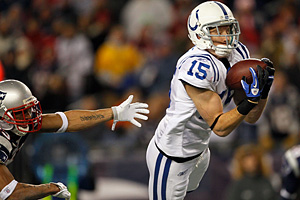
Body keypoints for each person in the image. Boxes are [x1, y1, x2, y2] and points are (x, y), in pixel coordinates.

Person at [146, 1, 275, 199]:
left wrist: (262, 92)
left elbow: (250, 118)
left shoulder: (238, 53)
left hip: (200, 149)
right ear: (199, 34)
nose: (226, 36)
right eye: (218, 30)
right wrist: (249, 101)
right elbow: (220, 127)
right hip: (173, 154)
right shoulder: (197, 67)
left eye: (229, 28)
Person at [0, 79, 149, 199]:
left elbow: (67, 120)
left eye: (29, 110)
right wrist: (51, 187)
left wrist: (113, 112)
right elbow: (12, 194)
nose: (29, 117)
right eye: (20, 113)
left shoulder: (16, 124)